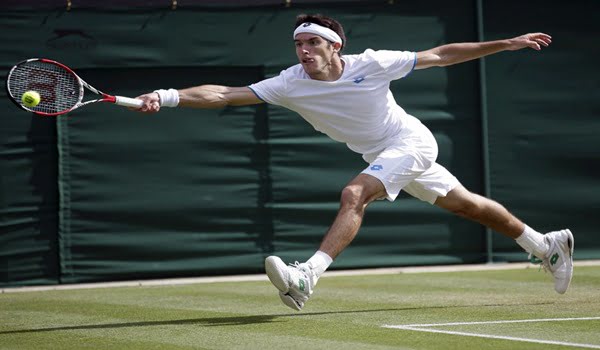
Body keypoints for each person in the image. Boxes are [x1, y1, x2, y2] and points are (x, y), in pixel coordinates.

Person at [136, 13, 574, 311]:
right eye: (298, 44)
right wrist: (166, 96)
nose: (303, 51)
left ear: (334, 46)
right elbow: (224, 94)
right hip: (380, 153)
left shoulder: (373, 64)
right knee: (465, 204)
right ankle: (545, 245)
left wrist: (506, 44)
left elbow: (441, 54)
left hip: (410, 141)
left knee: (354, 193)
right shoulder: (290, 83)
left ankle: (308, 274)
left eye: (312, 43)